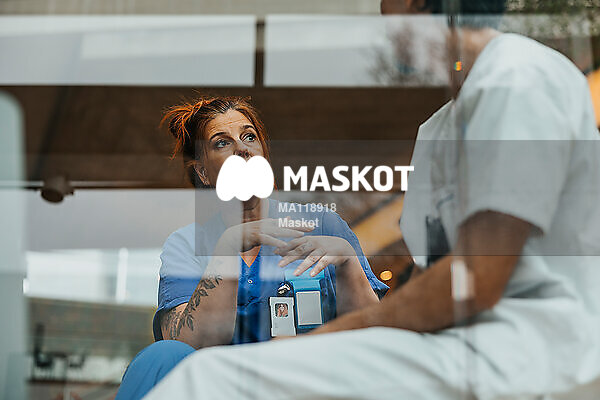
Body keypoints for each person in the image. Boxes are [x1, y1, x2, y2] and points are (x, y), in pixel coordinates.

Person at [139, 1, 600, 399]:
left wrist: (319, 335)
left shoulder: (516, 77)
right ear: (201, 170)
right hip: (455, 348)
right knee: (188, 371)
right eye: (222, 143)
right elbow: (430, 277)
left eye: (386, 8)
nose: (381, 24)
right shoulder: (435, 132)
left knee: (206, 381)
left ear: (417, 3)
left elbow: (475, 279)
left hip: (523, 350)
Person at [115, 97, 388, 400]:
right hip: (222, 392)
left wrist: (348, 262)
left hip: (309, 389)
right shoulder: (187, 245)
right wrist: (227, 247)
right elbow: (183, 348)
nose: (242, 149)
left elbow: (376, 339)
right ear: (203, 172)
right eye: (222, 143)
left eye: (249, 137)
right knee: (158, 357)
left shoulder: (322, 225)